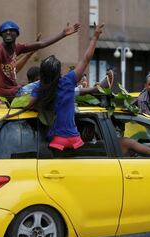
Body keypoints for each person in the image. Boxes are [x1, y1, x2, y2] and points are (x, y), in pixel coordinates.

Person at [29, 23, 104, 151]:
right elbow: (86, 59)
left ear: (42, 74)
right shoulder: (68, 81)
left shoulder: (39, 89)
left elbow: (29, 104)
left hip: (56, 141)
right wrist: (95, 37)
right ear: (59, 72)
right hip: (76, 139)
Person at [0, 20, 80, 97]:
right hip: (5, 95)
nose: (8, 33)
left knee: (48, 85)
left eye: (11, 31)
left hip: (16, 92)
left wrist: (62, 34)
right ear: (1, 35)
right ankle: (83, 90)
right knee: (46, 85)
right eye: (4, 31)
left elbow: (40, 45)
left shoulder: (18, 48)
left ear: (17, 34)